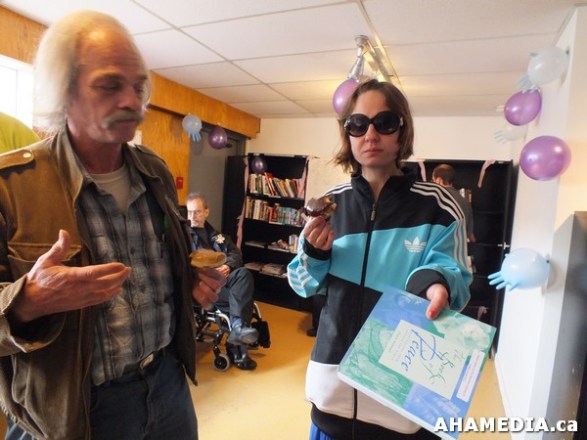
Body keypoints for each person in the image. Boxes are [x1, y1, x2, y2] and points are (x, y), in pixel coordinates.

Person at [0, 10, 225, 440]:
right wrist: (27, 302)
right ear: (64, 92)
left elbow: (162, 274)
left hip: (168, 387)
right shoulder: (12, 185)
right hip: (75, 409)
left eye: (138, 87)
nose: (131, 101)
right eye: (108, 85)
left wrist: (192, 285)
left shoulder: (156, 171)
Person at [287, 79, 472, 439]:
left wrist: (436, 283)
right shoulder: (329, 205)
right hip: (332, 390)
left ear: (402, 131)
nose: (370, 134)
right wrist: (314, 254)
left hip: (400, 392)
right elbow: (301, 284)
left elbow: (458, 278)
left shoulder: (439, 207)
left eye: (384, 122)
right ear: (348, 134)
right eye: (357, 124)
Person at [186, 192, 259, 370]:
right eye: (189, 212)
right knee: (240, 299)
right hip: (204, 287)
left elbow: (235, 254)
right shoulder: (184, 237)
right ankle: (238, 345)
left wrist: (227, 266)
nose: (193, 216)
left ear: (206, 212)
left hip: (224, 280)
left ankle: (238, 331)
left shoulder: (218, 236)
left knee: (243, 274)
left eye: (197, 212)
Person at [432, 163, 476, 242]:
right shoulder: (465, 202)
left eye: (433, 180)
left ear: (438, 180)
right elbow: (471, 236)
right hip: (458, 247)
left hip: (438, 246)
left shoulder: (436, 198)